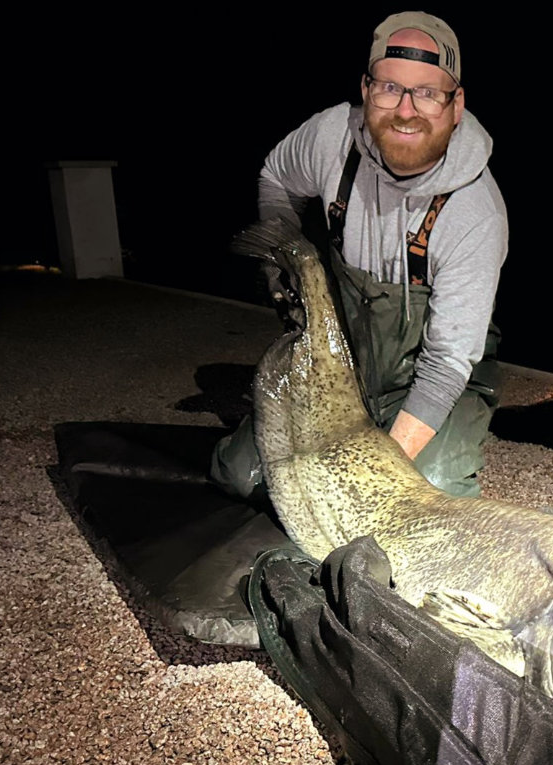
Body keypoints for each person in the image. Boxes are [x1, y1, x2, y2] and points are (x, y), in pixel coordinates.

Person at [211, 10, 507, 499]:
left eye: (428, 93)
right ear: (367, 91)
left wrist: (372, 471)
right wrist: (279, 259)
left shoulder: (476, 214)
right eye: (390, 88)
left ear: (456, 106)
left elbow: (445, 366)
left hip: (430, 379)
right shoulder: (332, 137)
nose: (406, 110)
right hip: (343, 363)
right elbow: (276, 176)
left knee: (420, 491)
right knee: (240, 477)